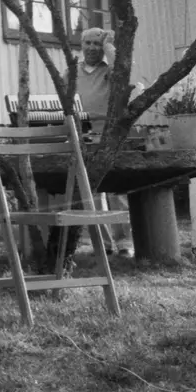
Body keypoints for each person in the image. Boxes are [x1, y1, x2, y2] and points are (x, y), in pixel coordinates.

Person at [75, 26, 136, 255]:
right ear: (81, 45)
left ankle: (124, 243)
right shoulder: (71, 72)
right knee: (93, 191)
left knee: (116, 189)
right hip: (82, 134)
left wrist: (109, 44)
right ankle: (104, 244)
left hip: (109, 132)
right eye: (87, 43)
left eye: (97, 44)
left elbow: (121, 69)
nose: (91, 48)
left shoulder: (108, 71)